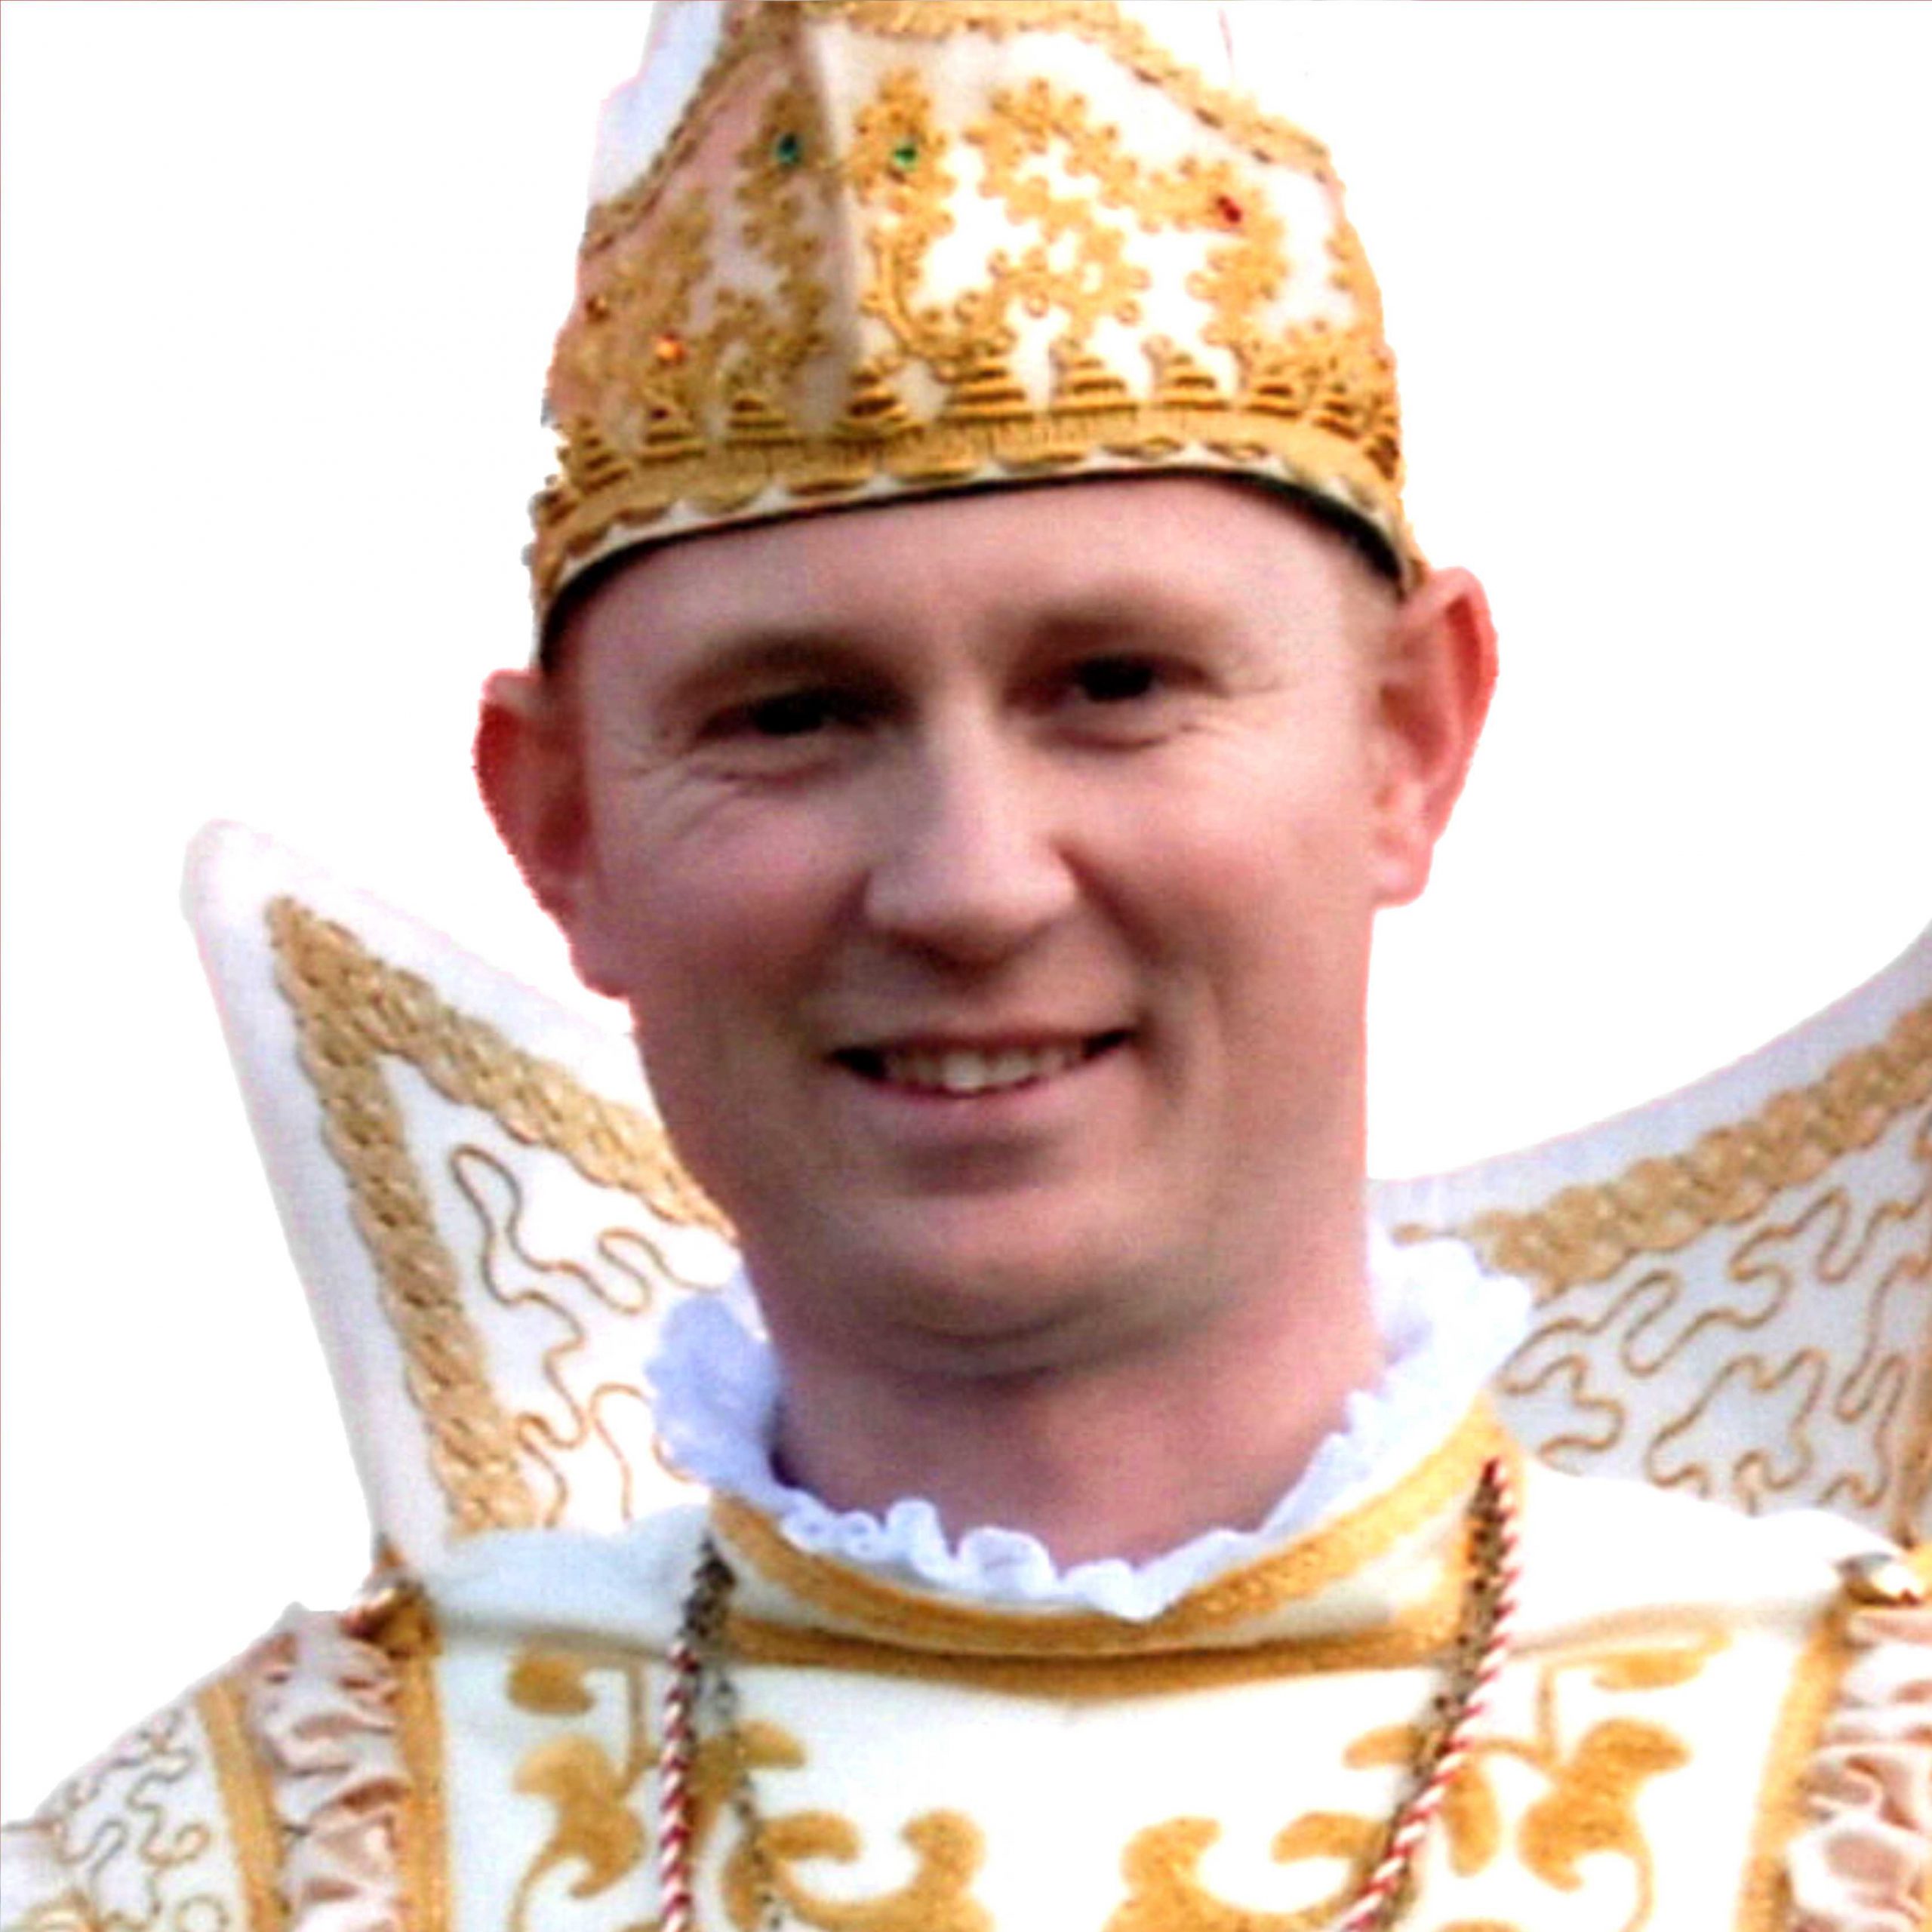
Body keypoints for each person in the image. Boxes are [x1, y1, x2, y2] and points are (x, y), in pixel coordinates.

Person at [5, 5, 1928, 1929]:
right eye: (789, 714)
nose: (967, 884)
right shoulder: (235, 1866)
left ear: (1404, 738)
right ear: (560, 828)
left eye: (1115, 682)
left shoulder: (1868, 1810)